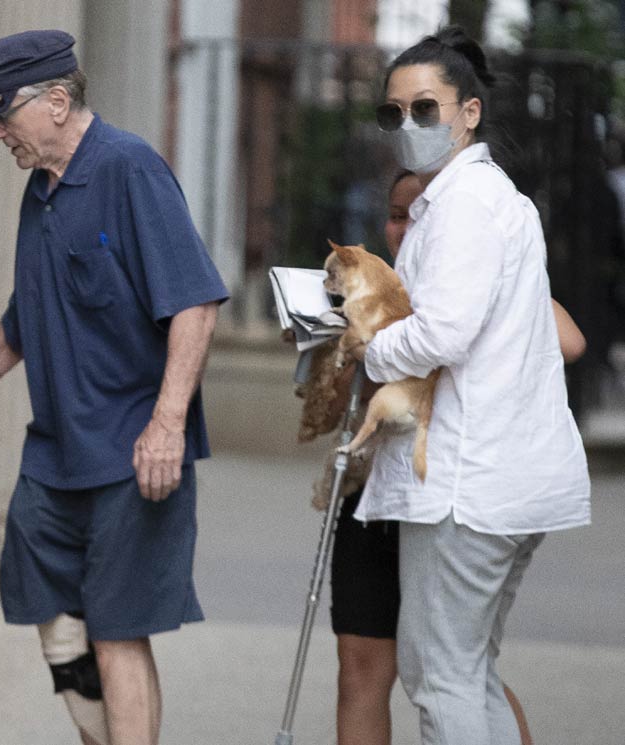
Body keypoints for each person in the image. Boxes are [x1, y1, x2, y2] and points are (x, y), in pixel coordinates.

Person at [0, 30, 228, 745]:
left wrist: (166, 423)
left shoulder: (130, 170)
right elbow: (25, 313)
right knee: (53, 618)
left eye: (2, 114)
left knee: (118, 634)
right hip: (56, 456)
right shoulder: (42, 190)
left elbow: (193, 301)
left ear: (57, 101)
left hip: (132, 453)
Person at [341, 26, 591, 745]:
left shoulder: (464, 204)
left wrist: (367, 346)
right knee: (469, 669)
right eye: (393, 113)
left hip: (467, 481)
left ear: (469, 112)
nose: (408, 126)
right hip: (497, 477)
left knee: (440, 676)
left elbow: (443, 334)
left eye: (425, 109)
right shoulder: (477, 199)